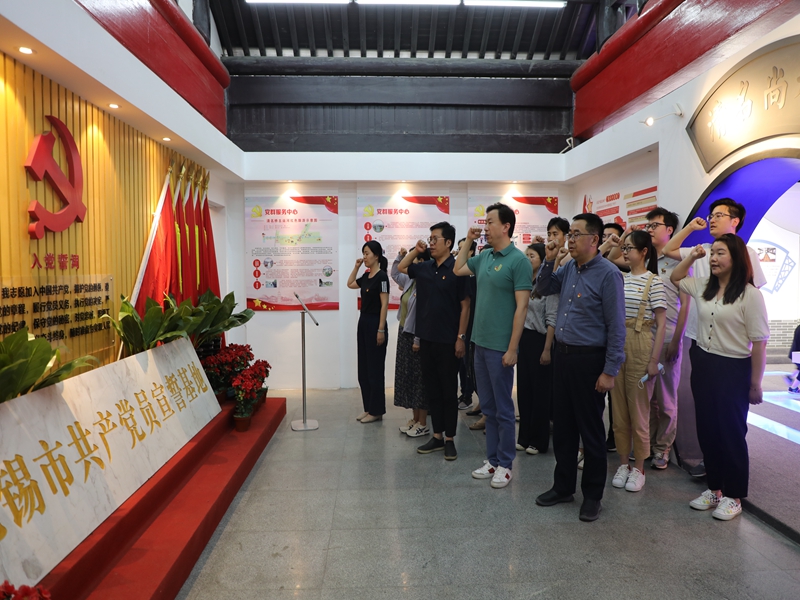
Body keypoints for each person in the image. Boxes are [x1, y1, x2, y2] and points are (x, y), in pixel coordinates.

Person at [662, 198, 766, 478]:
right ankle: (714, 481)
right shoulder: (702, 268)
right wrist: (692, 245)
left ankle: (733, 488)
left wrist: (756, 383)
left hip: (732, 357)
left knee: (731, 425)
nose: (712, 219)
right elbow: (672, 263)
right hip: (701, 347)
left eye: (720, 215)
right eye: (711, 215)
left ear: (735, 221)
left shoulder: (749, 277)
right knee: (706, 419)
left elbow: (759, 338)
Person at [533, 213, 625, 522]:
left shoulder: (609, 274)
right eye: (569, 234)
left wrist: (610, 371)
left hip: (590, 361)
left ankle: (593, 496)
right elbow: (544, 287)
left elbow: (617, 327)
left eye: (575, 234)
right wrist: (549, 261)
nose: (569, 240)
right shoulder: (569, 266)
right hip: (563, 356)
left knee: (591, 431)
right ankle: (563, 487)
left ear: (594, 240)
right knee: (563, 427)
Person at [670, 234, 769, 520]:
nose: (713, 258)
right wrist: (692, 256)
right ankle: (714, 489)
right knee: (707, 429)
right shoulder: (703, 285)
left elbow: (759, 343)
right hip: (703, 362)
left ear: (736, 258)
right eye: (712, 253)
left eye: (720, 253)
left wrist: (755, 384)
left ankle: (734, 496)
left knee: (732, 432)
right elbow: (676, 277)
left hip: (733, 369)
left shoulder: (750, 295)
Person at [605, 208, 690, 470]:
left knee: (665, 399)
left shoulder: (677, 261)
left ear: (670, 230)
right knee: (644, 400)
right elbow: (612, 258)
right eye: (648, 225)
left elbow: (685, 306)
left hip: (666, 338)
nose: (650, 229)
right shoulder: (640, 262)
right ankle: (646, 446)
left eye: (655, 225)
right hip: (637, 339)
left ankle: (662, 448)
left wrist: (676, 340)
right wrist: (627, 235)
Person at [455, 203, 532, 489]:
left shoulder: (518, 261)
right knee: (487, 407)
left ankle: (506, 464)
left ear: (506, 226)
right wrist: (468, 239)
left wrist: (513, 348)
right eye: (484, 222)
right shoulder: (484, 256)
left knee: (503, 408)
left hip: (501, 347)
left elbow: (522, 307)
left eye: (490, 222)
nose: (485, 227)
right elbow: (458, 268)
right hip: (480, 343)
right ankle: (492, 460)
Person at [398, 222, 470, 461]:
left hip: (448, 341)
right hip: (426, 340)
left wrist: (460, 338)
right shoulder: (425, 267)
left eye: (434, 239)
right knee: (432, 391)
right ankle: (437, 435)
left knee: (448, 391)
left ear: (448, 243)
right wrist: (416, 251)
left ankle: (450, 439)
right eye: (429, 238)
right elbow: (401, 267)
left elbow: (465, 306)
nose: (431, 242)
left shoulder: (458, 269)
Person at [605, 230, 666, 492]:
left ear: (644, 252)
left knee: (639, 412)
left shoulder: (654, 281)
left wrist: (654, 360)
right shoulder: (620, 278)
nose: (625, 252)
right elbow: (609, 257)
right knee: (618, 412)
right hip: (618, 342)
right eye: (624, 248)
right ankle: (623, 464)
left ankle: (639, 468)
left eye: (629, 248)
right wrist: (618, 241)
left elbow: (661, 324)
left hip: (641, 343)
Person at [516, 243, 557, 455]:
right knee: (524, 390)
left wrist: (547, 348)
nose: (527, 258)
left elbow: (552, 318)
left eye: (532, 256)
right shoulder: (523, 282)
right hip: (523, 338)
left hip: (541, 340)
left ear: (542, 261)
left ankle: (539, 441)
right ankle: (523, 437)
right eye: (526, 255)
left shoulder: (547, 284)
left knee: (540, 392)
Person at [347, 240, 390, 423]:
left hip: (375, 323)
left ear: (376, 256)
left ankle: (377, 410)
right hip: (363, 322)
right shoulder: (365, 276)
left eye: (367, 253)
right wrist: (356, 267)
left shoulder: (382, 277)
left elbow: (384, 305)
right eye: (363, 253)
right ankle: (368, 408)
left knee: (375, 370)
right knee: (363, 370)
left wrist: (380, 329)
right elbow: (350, 283)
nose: (364, 257)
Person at [391, 247, 431, 438]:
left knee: (420, 381)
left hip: (417, 337)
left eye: (415, 259)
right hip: (404, 333)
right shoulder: (410, 280)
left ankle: (423, 423)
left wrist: (417, 339)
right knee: (409, 378)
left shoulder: (426, 284)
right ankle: (415, 419)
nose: (411, 264)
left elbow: (423, 316)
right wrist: (400, 256)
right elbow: (395, 273)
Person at [456, 237, 478, 411]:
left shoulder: (476, 274)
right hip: (459, 323)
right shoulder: (458, 273)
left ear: (471, 251)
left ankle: (470, 395)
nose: (460, 252)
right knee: (461, 362)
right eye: (459, 248)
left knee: (469, 362)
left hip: (474, 324)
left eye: (464, 248)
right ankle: (464, 393)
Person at [785, 323, 800, 394]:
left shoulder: (798, 327)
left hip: (795, 351)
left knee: (799, 367)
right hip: (798, 352)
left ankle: (790, 377)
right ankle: (793, 388)